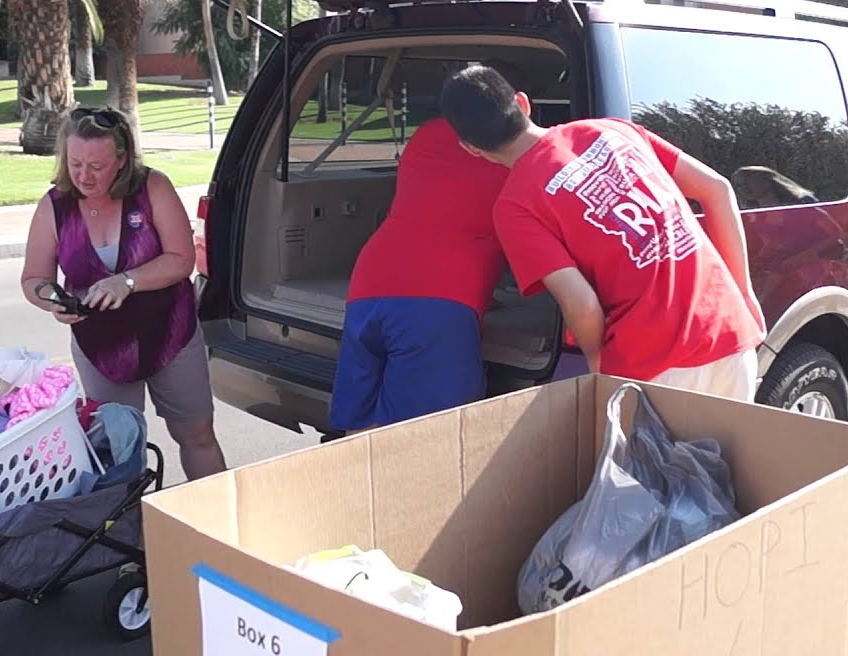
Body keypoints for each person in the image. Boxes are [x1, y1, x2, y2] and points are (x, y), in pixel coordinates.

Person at [438, 65, 766, 400]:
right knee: (733, 453)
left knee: (655, 456)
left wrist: (598, 362)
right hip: (729, 330)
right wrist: (745, 293)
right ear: (523, 103)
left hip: (654, 363)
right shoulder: (614, 130)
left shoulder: (515, 206)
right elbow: (717, 189)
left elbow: (581, 302)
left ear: (471, 148)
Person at [19, 106, 226, 479]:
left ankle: (219, 523)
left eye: (96, 166)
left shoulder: (152, 188)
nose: (84, 175)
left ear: (122, 159)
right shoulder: (55, 206)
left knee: (196, 434)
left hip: (170, 336)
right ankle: (128, 530)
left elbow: (182, 260)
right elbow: (34, 278)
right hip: (101, 348)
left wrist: (126, 281)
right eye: (75, 163)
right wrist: (52, 299)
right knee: (118, 447)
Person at [328, 115, 512, 434]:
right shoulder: (514, 148)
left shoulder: (428, 133)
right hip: (436, 301)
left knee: (358, 432)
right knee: (424, 441)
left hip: (369, 285)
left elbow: (442, 205)